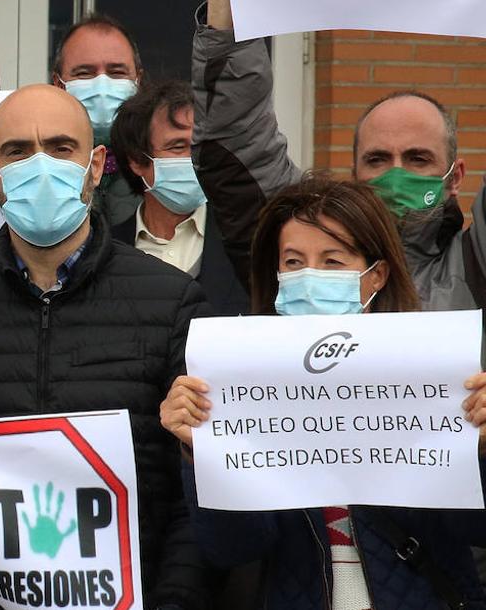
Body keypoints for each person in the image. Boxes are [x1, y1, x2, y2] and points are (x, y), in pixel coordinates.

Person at [0, 83, 209, 609]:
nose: (40, 165)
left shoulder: (171, 303)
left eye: (60, 148)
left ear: (95, 165)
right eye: (17, 151)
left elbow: (190, 491)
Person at [161, 175, 486, 608]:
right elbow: (233, 548)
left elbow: (476, 531)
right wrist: (198, 451)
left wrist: (480, 450)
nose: (310, 278)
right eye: (294, 262)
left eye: (333, 261)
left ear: (376, 276)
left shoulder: (435, 375)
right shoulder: (244, 381)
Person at [192, 0, 486, 311]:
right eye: (378, 159)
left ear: (454, 177)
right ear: (354, 171)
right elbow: (236, 153)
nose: (395, 176)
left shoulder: (475, 265)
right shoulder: (300, 243)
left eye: (418, 159)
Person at [109, 80, 249, 315]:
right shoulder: (105, 251)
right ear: (137, 161)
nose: (195, 157)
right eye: (177, 147)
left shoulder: (246, 244)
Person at [51, 14, 146, 226]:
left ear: (137, 81)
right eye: (85, 73)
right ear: (59, 84)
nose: (102, 86)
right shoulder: (42, 162)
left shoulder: (160, 159)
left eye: (117, 72)